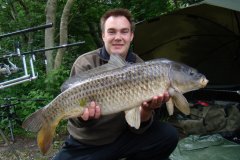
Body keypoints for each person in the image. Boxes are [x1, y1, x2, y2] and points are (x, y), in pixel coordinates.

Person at [53, 8, 178, 160]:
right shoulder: (85, 63)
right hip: (88, 144)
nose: (118, 37)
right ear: (103, 36)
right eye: (112, 31)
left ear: (131, 36)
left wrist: (146, 110)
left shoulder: (141, 66)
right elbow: (76, 121)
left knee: (168, 135)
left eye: (124, 31)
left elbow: (137, 128)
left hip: (123, 138)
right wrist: (84, 117)